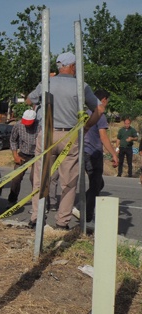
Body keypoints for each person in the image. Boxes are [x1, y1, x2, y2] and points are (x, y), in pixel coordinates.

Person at [26, 52, 105, 230]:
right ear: (72, 66)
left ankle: (36, 218)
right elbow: (99, 109)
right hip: (70, 136)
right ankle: (62, 222)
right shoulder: (81, 86)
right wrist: (86, 126)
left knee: (41, 178)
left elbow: (29, 99)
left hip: (47, 133)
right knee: (68, 181)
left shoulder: (47, 83)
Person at [81, 89, 118, 227]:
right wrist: (114, 154)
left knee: (99, 183)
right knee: (95, 184)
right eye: (107, 100)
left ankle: (81, 205)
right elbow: (103, 136)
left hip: (83, 152)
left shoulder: (85, 113)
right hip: (93, 154)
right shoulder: (100, 114)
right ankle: (86, 215)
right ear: (103, 100)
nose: (107, 103)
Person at [7, 109, 38, 207]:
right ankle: (12, 201)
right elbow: (13, 140)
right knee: (16, 177)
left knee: (35, 179)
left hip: (37, 155)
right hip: (23, 154)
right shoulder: (18, 125)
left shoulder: (40, 126)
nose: (27, 125)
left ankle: (37, 203)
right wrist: (15, 155)